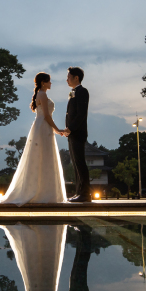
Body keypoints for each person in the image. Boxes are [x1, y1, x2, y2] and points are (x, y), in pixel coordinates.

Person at [0, 72, 67, 205]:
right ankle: (42, 193)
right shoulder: (42, 94)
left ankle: (43, 192)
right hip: (43, 127)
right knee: (43, 157)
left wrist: (56, 130)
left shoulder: (40, 94)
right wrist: (58, 129)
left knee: (43, 158)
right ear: (43, 82)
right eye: (49, 81)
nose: (51, 83)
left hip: (43, 127)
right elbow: (46, 115)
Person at [64, 67, 91, 202]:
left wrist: (70, 128)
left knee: (80, 163)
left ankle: (86, 194)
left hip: (78, 132)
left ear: (76, 78)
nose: (67, 79)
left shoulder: (82, 91)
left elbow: (81, 114)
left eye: (69, 77)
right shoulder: (73, 92)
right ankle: (78, 192)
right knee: (75, 163)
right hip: (72, 133)